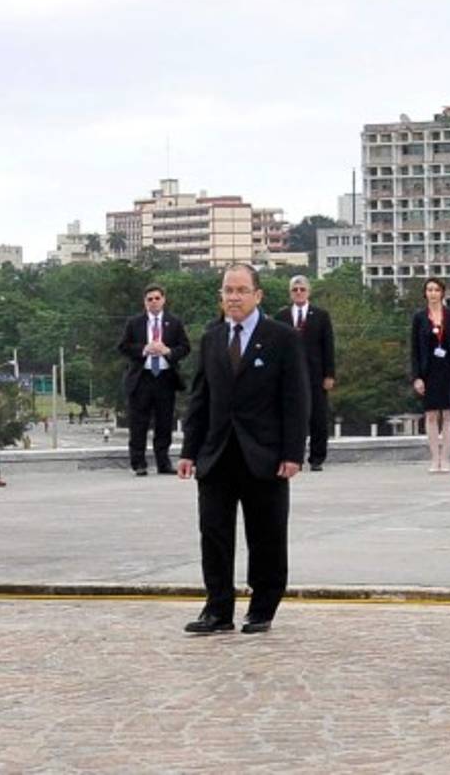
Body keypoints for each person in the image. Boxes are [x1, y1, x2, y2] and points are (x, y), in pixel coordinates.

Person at [178, 263, 310, 635]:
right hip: (217, 452)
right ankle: (217, 609)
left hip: (265, 454)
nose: (233, 297)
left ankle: (262, 607)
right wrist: (189, 450)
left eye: (240, 290)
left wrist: (292, 453)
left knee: (266, 533)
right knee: (214, 532)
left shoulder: (281, 338)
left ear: (257, 295)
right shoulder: (212, 338)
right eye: (227, 290)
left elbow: (295, 400)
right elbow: (199, 399)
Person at [116, 283, 192, 476]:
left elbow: (185, 347)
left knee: (165, 422)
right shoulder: (135, 323)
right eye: (150, 299)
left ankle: (163, 462)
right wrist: (144, 349)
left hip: (165, 378)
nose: (154, 302)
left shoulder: (174, 322)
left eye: (157, 298)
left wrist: (168, 351)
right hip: (142, 377)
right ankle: (139, 463)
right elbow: (123, 346)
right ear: (145, 302)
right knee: (139, 423)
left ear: (164, 300)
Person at [273, 276, 335, 471]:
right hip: (289, 375)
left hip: (315, 374)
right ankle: (293, 457)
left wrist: (329, 374)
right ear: (290, 292)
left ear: (308, 292)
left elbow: (328, 346)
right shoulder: (281, 316)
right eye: (295, 289)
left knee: (318, 417)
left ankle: (317, 458)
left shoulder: (321, 315)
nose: (298, 292)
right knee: (291, 417)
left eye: (302, 289)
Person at [411, 278, 450, 473]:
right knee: (430, 415)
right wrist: (417, 377)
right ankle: (434, 458)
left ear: (442, 293)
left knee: (447, 414)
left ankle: (445, 459)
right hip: (428, 370)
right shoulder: (420, 318)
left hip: (449, 369)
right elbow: (414, 349)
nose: (433, 293)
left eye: (436, 290)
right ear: (425, 293)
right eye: (429, 290)